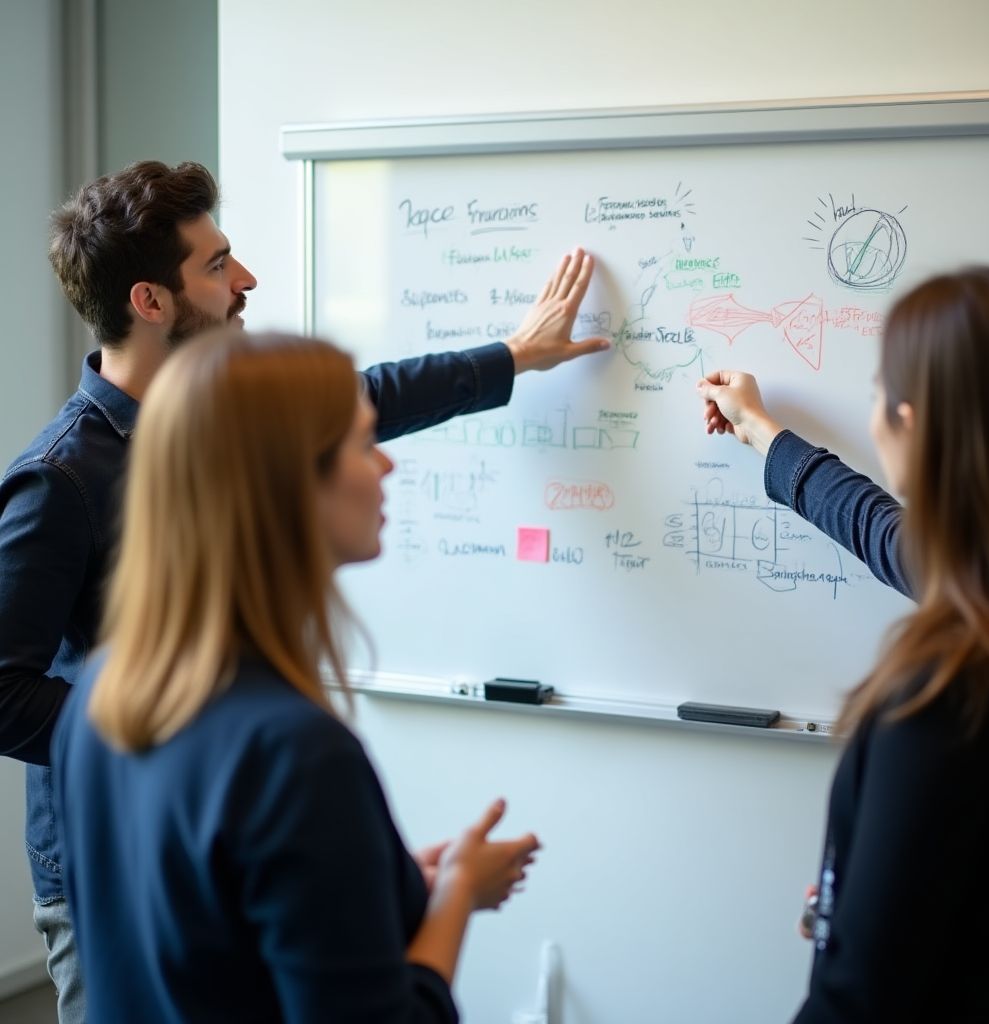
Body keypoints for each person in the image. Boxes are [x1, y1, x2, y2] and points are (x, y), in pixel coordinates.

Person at [0, 159, 605, 1021]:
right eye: (216, 266)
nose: (243, 282)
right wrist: (171, 736)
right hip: (119, 845)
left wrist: (512, 355)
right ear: (150, 301)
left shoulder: (221, 432)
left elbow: (368, 396)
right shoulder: (61, 486)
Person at [50, 329, 540, 1022]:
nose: (387, 467)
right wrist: (456, 891)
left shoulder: (96, 695)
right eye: (362, 443)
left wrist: (395, 889)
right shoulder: (295, 755)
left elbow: (209, 950)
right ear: (285, 485)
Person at [696, 267, 989, 1020]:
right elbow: (884, 531)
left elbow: (859, 1002)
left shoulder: (952, 695)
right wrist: (759, 430)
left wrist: (856, 921)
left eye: (878, 395)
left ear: (914, 425)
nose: (874, 416)